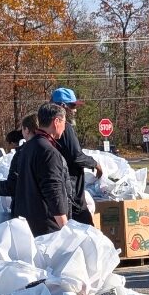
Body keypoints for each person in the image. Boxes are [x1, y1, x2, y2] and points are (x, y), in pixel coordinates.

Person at [13, 104, 72, 237]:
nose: (65, 126)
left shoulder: (27, 148)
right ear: (56, 122)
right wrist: (66, 229)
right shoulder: (48, 151)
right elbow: (53, 190)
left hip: (26, 225)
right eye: (64, 121)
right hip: (47, 230)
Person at [49, 87, 102, 225]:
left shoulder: (44, 128)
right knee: (86, 232)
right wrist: (95, 164)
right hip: (71, 190)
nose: (75, 110)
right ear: (62, 106)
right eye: (72, 106)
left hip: (59, 191)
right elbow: (76, 156)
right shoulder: (65, 128)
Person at [0, 113, 38, 213]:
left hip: (25, 212)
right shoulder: (52, 149)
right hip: (48, 214)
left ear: (27, 130)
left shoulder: (22, 153)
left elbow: (13, 186)